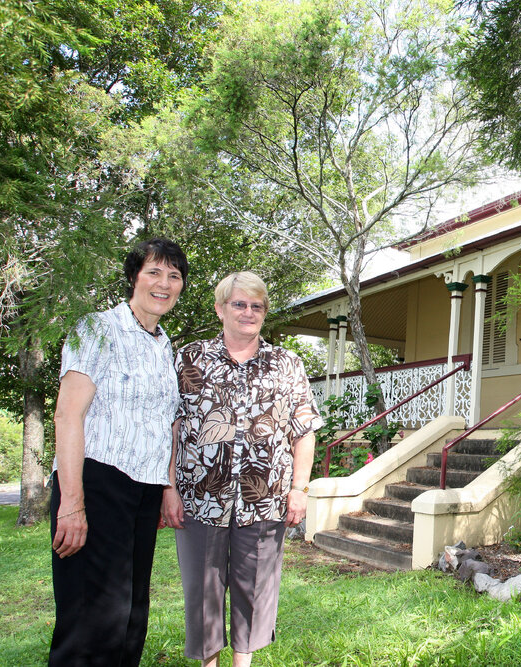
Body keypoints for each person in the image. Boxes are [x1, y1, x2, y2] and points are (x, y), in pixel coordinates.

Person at [163, 271, 323, 667]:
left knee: (255, 588)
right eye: (239, 304)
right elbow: (171, 426)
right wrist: (168, 489)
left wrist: (299, 489)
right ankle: (208, 663)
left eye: (257, 306)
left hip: (264, 500)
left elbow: (304, 430)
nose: (248, 312)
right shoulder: (189, 358)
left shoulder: (286, 363)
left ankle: (243, 662)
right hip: (200, 498)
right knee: (202, 589)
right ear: (220, 309)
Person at [50, 238, 188, 666]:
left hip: (144, 491)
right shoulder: (98, 328)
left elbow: (167, 423)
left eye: (174, 276)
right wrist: (72, 504)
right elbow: (67, 415)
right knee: (92, 616)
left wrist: (167, 486)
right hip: (98, 481)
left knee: (131, 615)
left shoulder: (164, 346)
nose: (163, 284)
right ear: (134, 277)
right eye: (154, 272)